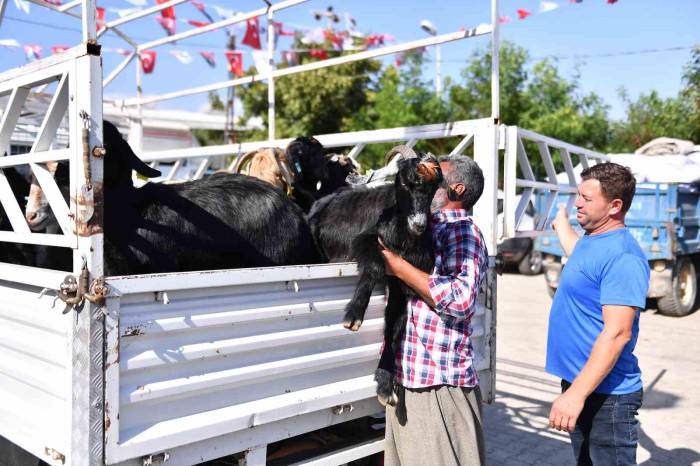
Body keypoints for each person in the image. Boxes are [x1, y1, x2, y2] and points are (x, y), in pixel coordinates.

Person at [378, 154, 489, 466]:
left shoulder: (463, 233)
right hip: (410, 377)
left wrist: (398, 267)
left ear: (455, 189)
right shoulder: (428, 228)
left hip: (439, 383)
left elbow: (462, 298)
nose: (423, 184)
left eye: (433, 179)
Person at [547, 162, 649, 466]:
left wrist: (575, 395)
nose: (578, 202)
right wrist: (561, 224)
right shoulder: (593, 240)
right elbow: (578, 256)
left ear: (615, 206)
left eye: (587, 199)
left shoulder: (624, 257)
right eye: (578, 195)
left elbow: (618, 333)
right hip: (583, 385)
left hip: (606, 397)